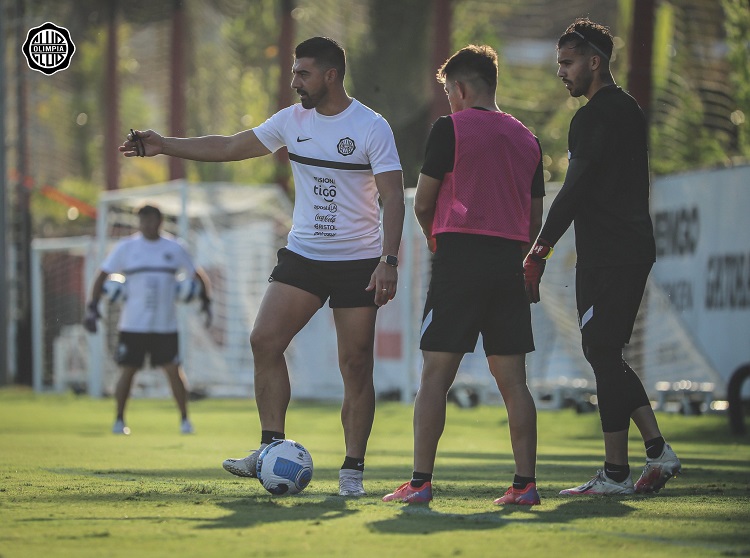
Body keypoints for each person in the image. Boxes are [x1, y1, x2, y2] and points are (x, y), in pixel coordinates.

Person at [119, 37, 405, 497]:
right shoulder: (291, 121)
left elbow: (393, 196)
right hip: (304, 256)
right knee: (264, 340)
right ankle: (269, 449)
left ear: (331, 76)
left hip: (358, 261)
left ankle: (352, 471)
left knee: (355, 365)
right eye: (294, 73)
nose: (294, 82)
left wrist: (388, 259)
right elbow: (231, 146)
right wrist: (164, 145)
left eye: (303, 74)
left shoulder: (372, 126)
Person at [524, 18, 681, 495]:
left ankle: (617, 473)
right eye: (559, 64)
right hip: (626, 249)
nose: (562, 73)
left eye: (568, 63)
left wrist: (540, 249)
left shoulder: (592, 116)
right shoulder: (628, 109)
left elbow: (574, 190)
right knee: (605, 353)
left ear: (595, 61)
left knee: (602, 354)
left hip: (611, 254)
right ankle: (655, 452)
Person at [383, 45, 544, 505]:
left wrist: (437, 240)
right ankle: (525, 485)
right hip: (508, 262)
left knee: (434, 376)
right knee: (514, 382)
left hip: (459, 258)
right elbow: (534, 219)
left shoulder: (449, 128)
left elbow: (422, 202)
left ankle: (419, 483)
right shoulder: (528, 138)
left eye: (448, 92)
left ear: (459, 88)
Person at [83, 204, 211, 435]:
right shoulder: (126, 248)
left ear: (160, 222)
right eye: (143, 221)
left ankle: (185, 420)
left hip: (165, 325)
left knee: (174, 370)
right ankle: (119, 420)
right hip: (133, 324)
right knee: (128, 370)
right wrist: (92, 307)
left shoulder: (175, 247)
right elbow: (102, 275)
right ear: (138, 223)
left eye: (151, 220)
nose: (147, 225)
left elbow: (197, 274)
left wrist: (207, 302)